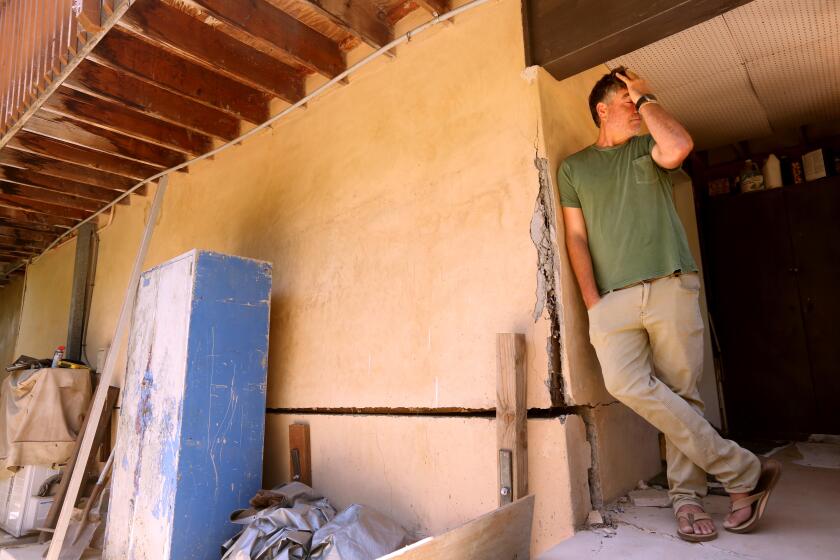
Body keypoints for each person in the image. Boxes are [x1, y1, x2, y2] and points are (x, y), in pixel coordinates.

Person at [558, 67, 781, 542]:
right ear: (601, 109)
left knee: (683, 395)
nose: (635, 107)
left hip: (670, 285)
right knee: (624, 383)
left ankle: (688, 500)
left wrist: (644, 95)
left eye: (636, 99)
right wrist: (592, 301)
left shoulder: (648, 147)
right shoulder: (574, 168)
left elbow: (678, 146)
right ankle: (743, 470)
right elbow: (575, 236)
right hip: (611, 300)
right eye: (625, 99)